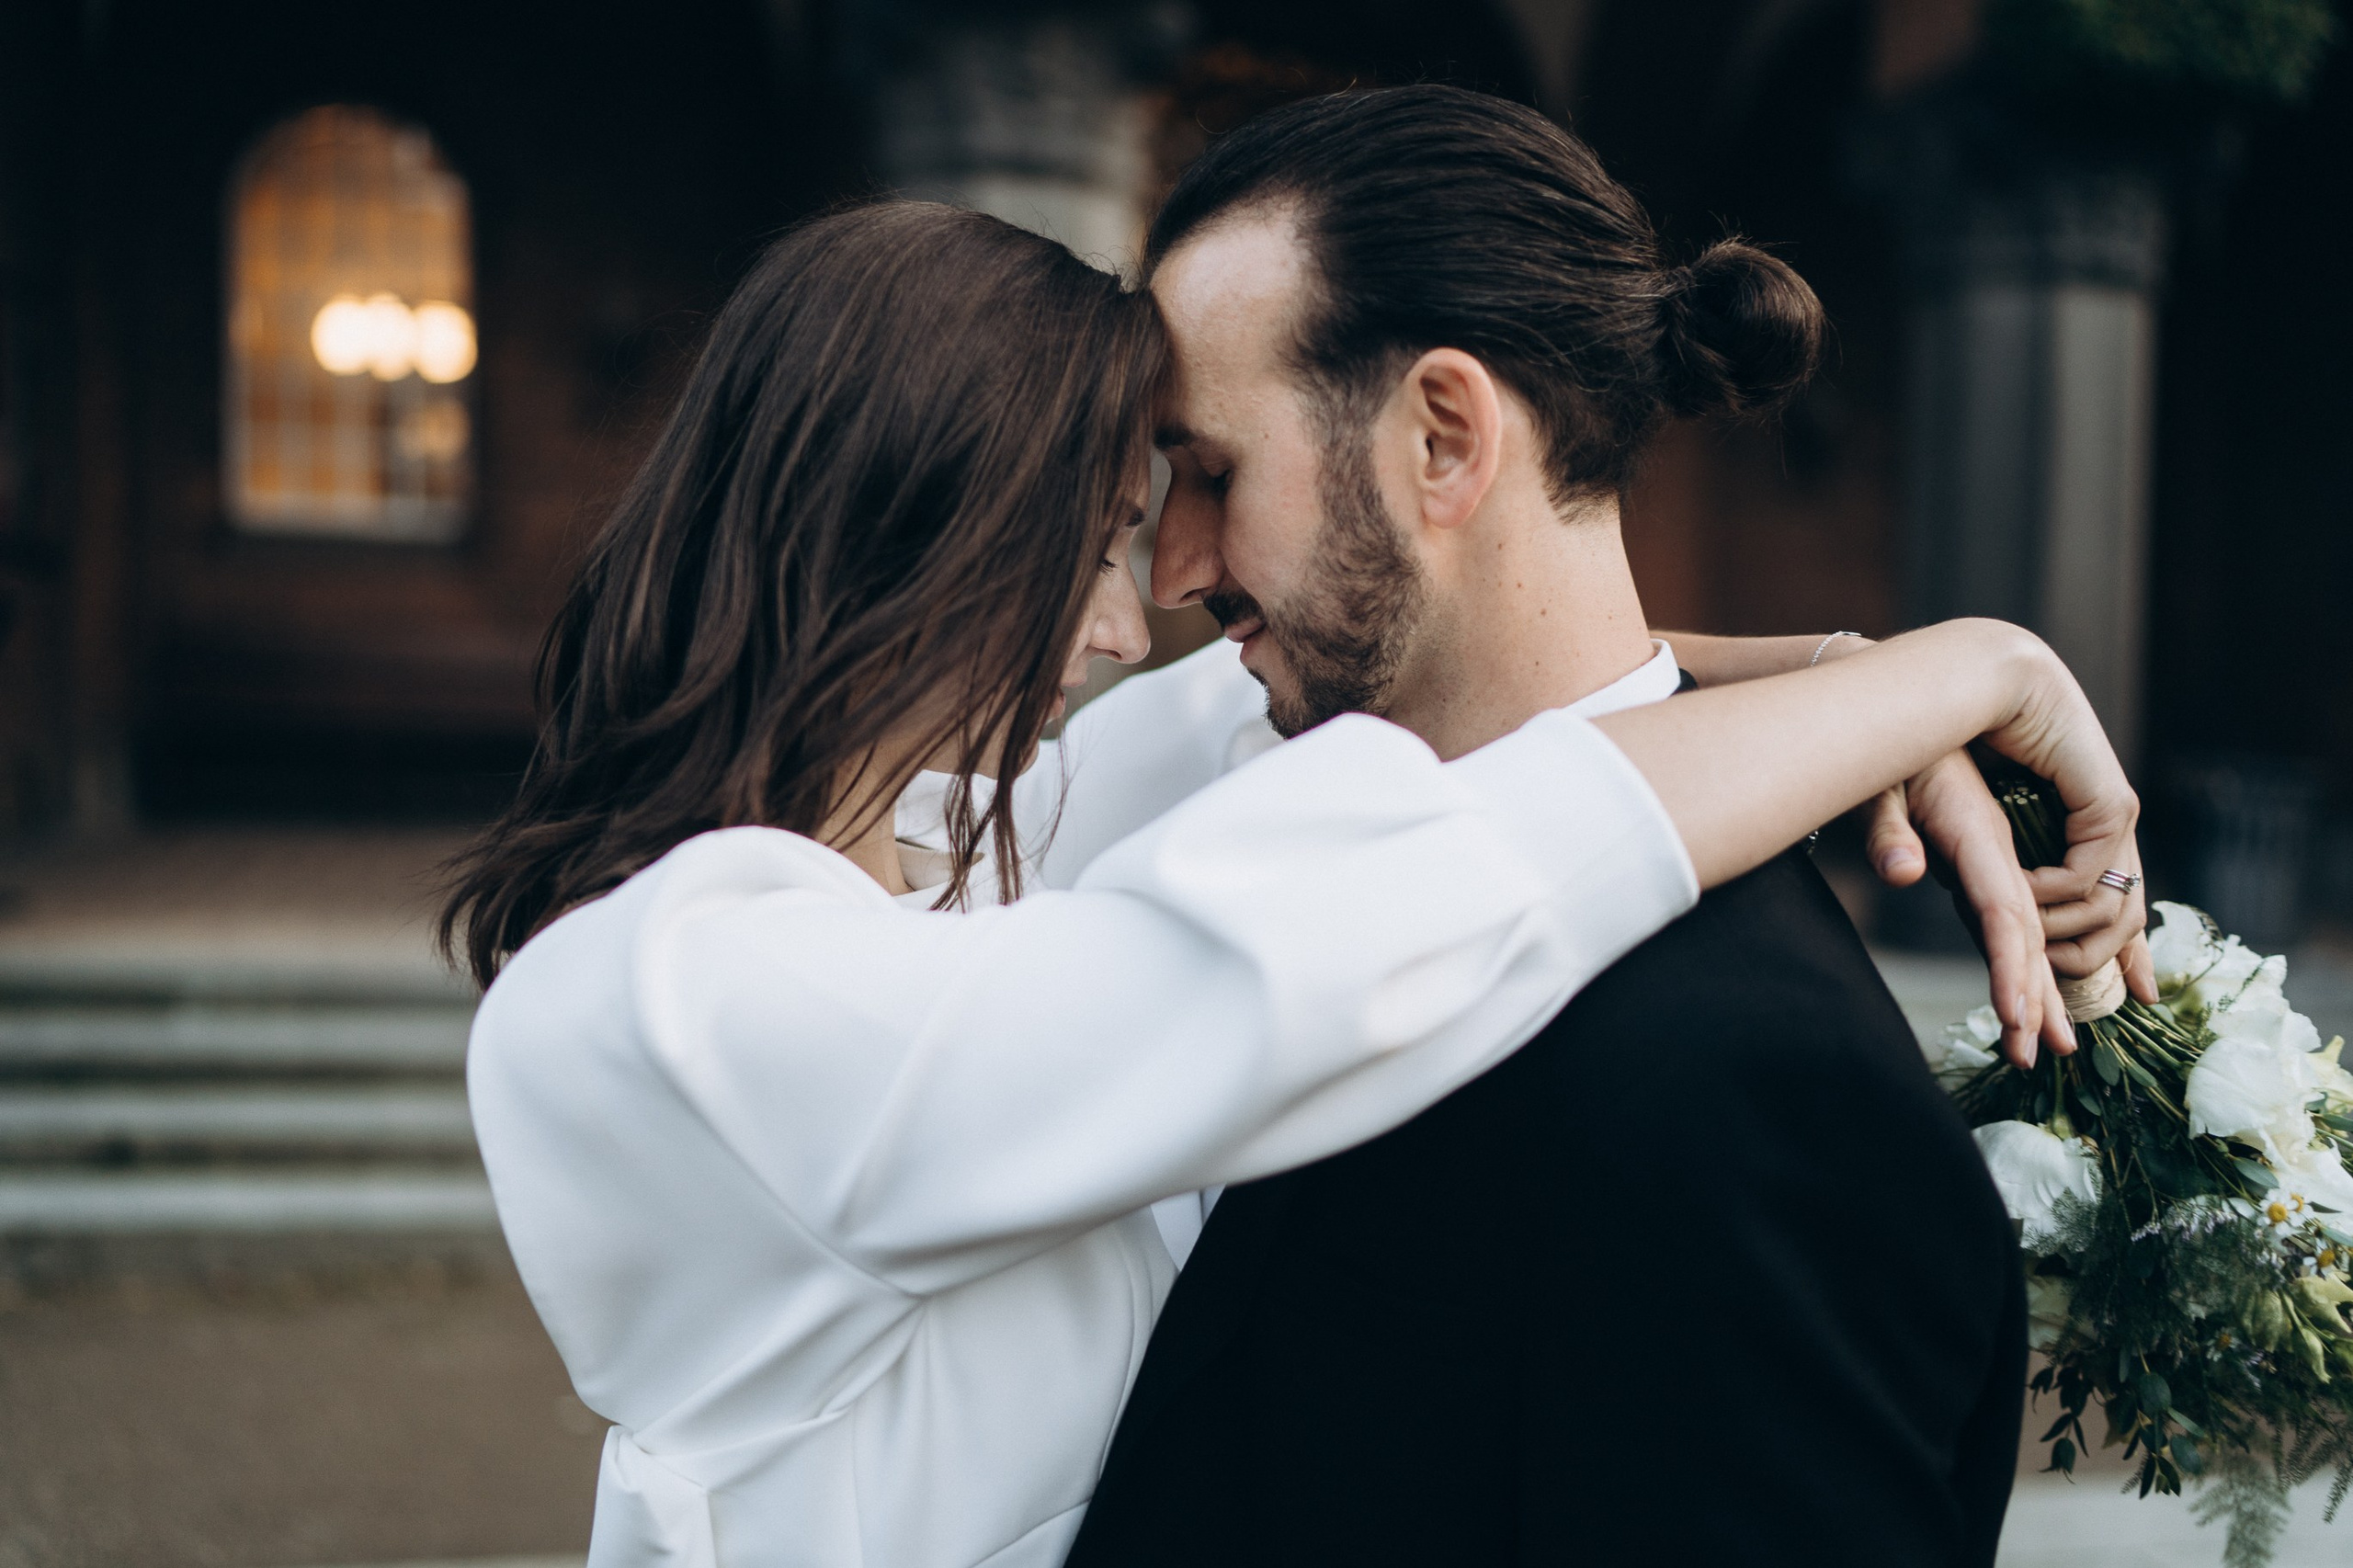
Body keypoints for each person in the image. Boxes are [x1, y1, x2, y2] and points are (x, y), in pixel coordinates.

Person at [446, 199, 2138, 1568]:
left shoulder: (976, 848)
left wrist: (1859, 675)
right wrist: (1961, 668)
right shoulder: (669, 1002)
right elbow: (1386, 891)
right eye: (1104, 537)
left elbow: (1453, 703)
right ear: (912, 531)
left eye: (1194, 490)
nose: (1142, 612)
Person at [1056, 85, 2150, 1568]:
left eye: (1212, 474)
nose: (1172, 569)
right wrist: (1881, 675)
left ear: (1445, 437)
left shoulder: (1760, 1092)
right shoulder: (1250, 790)